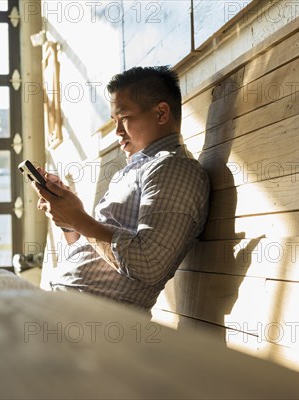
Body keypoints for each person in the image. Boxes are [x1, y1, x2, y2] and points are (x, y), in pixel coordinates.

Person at [32, 66, 210, 313]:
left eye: (123, 118)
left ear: (161, 113)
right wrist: (68, 221)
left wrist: (77, 217)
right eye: (114, 121)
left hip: (92, 322)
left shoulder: (174, 168)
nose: (117, 132)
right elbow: (99, 254)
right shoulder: (135, 169)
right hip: (66, 309)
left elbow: (149, 264)